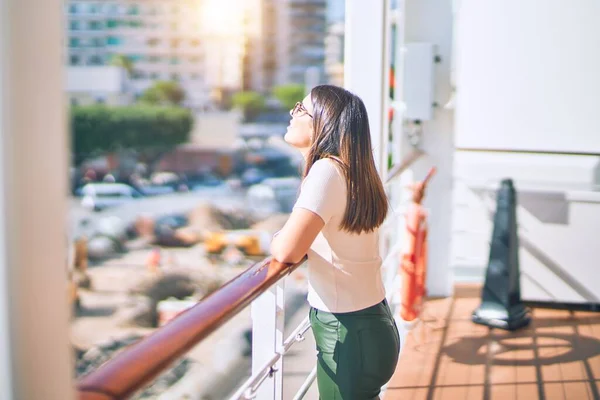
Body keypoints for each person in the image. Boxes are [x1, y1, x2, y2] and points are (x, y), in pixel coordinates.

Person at [270, 85, 400, 399]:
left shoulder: (326, 172)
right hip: (372, 325)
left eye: (300, 108)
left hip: (347, 336)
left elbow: (287, 249)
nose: (292, 113)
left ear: (322, 123)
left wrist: (277, 237)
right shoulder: (353, 171)